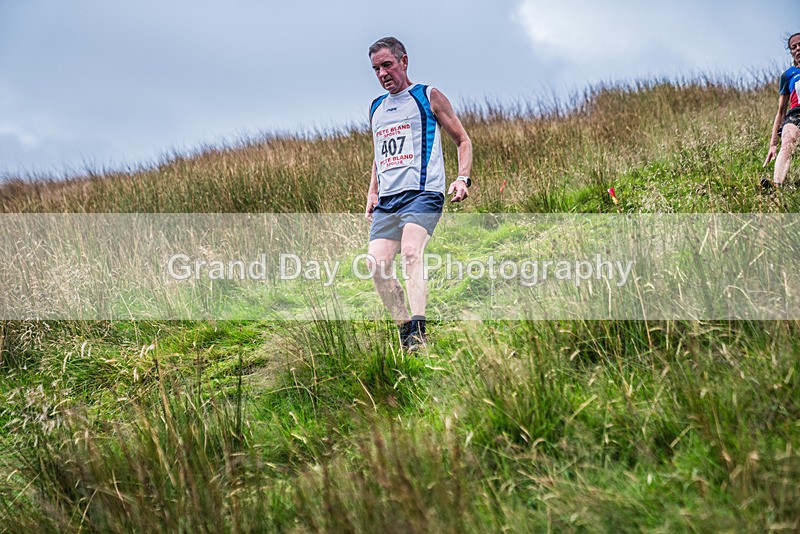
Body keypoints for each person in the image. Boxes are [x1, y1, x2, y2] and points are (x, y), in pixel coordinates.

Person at [364, 36, 473, 351]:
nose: (383, 73)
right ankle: (405, 331)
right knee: (377, 265)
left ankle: (420, 332)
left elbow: (462, 139)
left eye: (387, 65)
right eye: (376, 69)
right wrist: (373, 192)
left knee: (412, 252)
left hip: (423, 193)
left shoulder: (428, 96)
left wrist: (462, 178)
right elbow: (379, 154)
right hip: (388, 200)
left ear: (403, 61)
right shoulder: (376, 108)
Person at [763, 32, 800, 188]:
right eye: (794, 46)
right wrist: (773, 144)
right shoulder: (787, 76)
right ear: (791, 52)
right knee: (788, 140)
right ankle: (776, 185)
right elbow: (780, 112)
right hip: (795, 115)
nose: (798, 48)